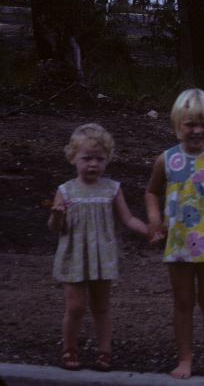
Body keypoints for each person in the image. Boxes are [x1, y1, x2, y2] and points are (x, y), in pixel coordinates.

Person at [146, 89, 204, 384]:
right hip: (179, 243)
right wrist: (155, 220)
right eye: (190, 124)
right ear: (176, 124)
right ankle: (184, 358)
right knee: (183, 302)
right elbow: (150, 191)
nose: (197, 130)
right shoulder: (166, 159)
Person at [49, 123, 150, 372]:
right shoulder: (65, 190)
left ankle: (105, 351)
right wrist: (58, 214)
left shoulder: (112, 189)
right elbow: (55, 227)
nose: (93, 164)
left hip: (102, 256)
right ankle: (69, 348)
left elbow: (128, 219)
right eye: (87, 158)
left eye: (99, 159)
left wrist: (150, 230)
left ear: (107, 160)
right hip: (75, 254)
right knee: (75, 306)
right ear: (73, 157)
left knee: (101, 306)